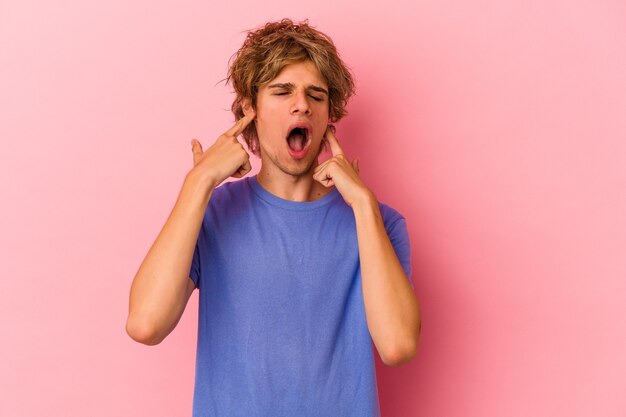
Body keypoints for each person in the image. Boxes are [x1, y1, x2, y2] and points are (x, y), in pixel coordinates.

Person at [126, 18, 421, 417]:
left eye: (315, 95)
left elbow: (398, 345)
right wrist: (198, 183)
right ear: (251, 108)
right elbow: (145, 324)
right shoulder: (211, 214)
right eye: (282, 92)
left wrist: (364, 205)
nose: (302, 104)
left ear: (329, 114)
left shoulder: (379, 223)